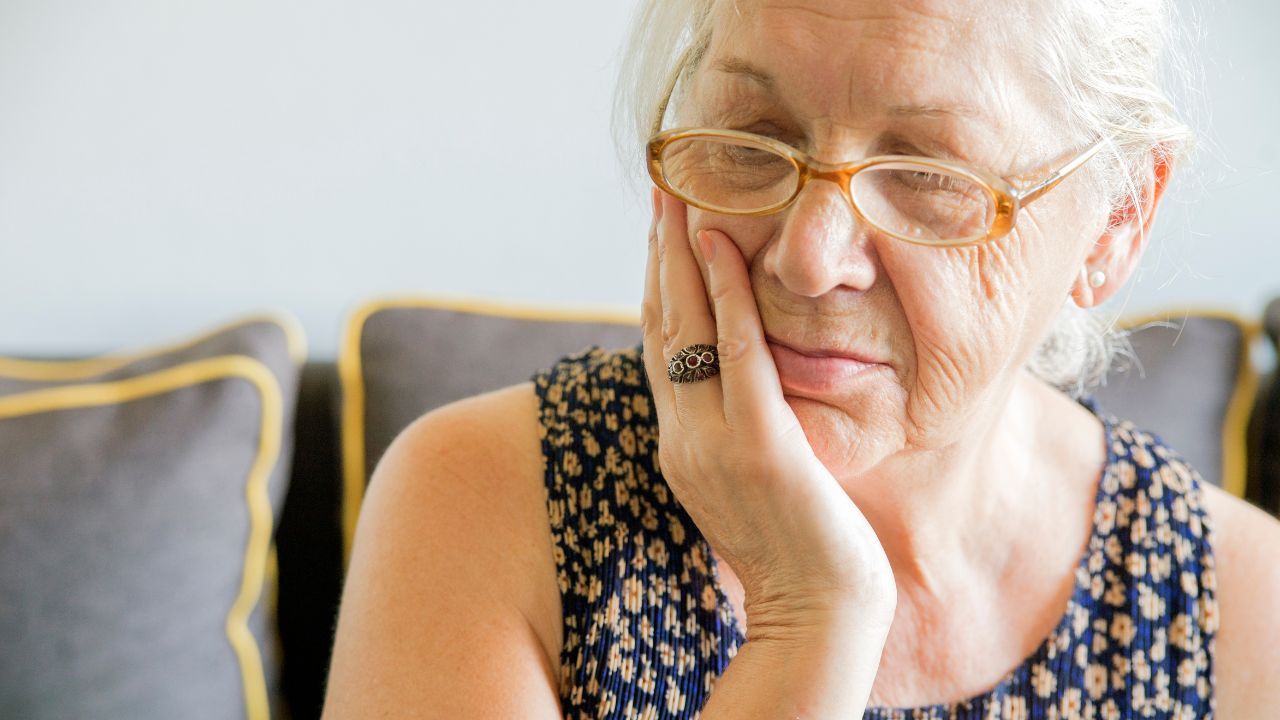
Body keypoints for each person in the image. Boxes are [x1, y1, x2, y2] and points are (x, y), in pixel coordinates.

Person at [322, 0, 1280, 717]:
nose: (809, 257)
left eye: (924, 174)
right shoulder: (482, 503)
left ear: (1119, 219)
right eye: (751, 138)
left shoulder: (1243, 607)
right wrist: (810, 617)